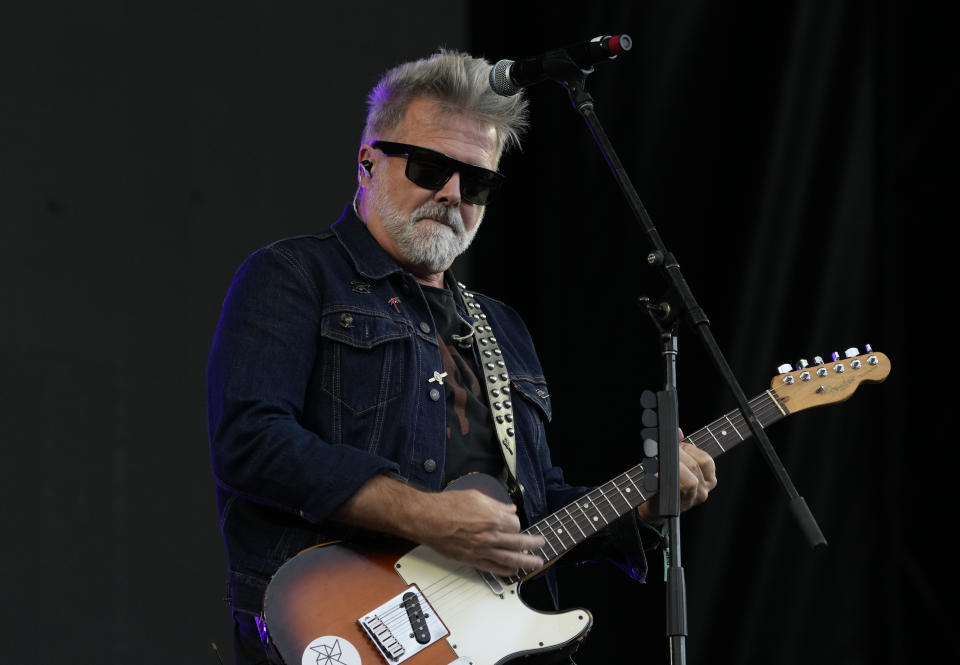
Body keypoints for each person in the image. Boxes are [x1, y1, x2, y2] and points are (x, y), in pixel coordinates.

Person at [206, 49, 717, 665]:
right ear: (367, 163)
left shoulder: (501, 326)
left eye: (476, 182)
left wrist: (641, 506)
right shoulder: (294, 275)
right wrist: (426, 517)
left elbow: (532, 509)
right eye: (428, 167)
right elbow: (251, 443)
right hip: (338, 631)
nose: (452, 195)